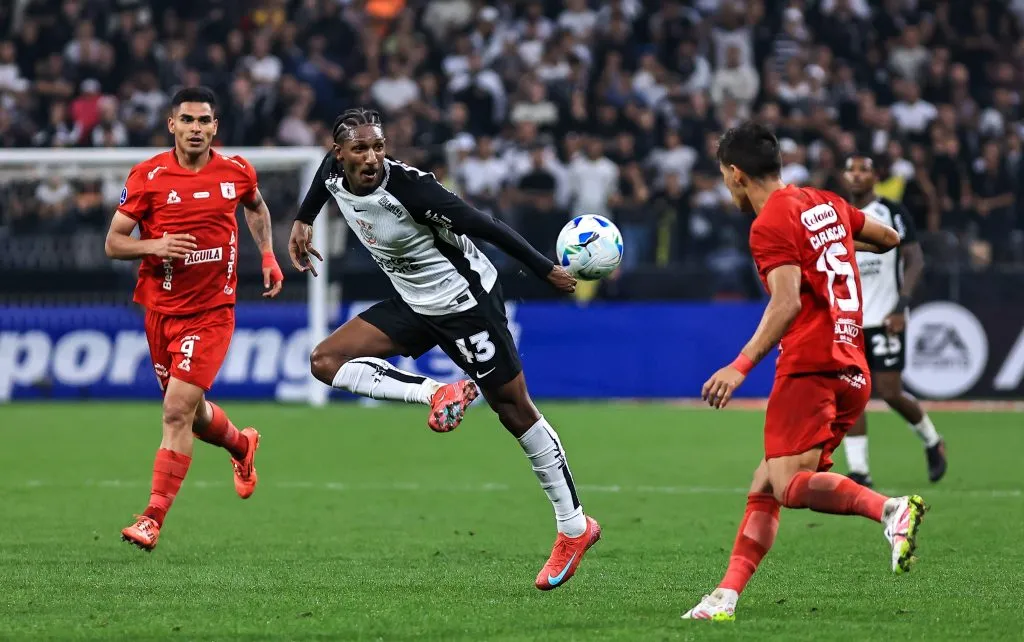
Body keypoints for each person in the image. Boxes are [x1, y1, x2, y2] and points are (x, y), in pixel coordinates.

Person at [287, 108, 600, 591]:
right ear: (340, 153)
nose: (371, 158)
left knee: (515, 410)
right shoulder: (332, 171)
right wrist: (303, 220)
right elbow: (322, 182)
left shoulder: (412, 189)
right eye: (360, 149)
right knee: (325, 360)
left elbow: (484, 225)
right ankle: (435, 392)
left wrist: (545, 269)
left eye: (378, 147)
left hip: (465, 303)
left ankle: (574, 527)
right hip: (413, 302)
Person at [683, 122, 927, 621]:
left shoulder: (769, 222)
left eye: (724, 176)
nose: (726, 185)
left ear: (736, 173)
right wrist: (832, 247)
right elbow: (889, 238)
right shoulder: (825, 202)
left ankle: (889, 509)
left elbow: (787, 302)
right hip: (851, 365)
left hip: (810, 365)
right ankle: (724, 597)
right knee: (766, 483)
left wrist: (739, 366)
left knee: (790, 485)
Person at [104, 86, 285, 551]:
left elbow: (256, 206)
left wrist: (268, 254)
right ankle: (241, 445)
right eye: (187, 120)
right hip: (161, 313)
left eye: (204, 120)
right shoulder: (148, 177)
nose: (196, 128)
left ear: (215, 126)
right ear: (172, 125)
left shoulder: (236, 170)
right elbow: (113, 243)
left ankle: (151, 518)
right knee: (194, 413)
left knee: (175, 411)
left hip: (212, 312)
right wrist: (155, 245)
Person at [842, 155, 946, 487]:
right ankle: (860, 471)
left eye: (864, 170)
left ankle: (932, 440)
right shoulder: (837, 213)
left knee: (890, 392)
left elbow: (915, 260)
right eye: (851, 170)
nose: (857, 175)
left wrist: (901, 307)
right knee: (850, 394)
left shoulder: (891, 212)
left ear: (876, 176)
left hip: (886, 316)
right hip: (849, 321)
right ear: (844, 176)